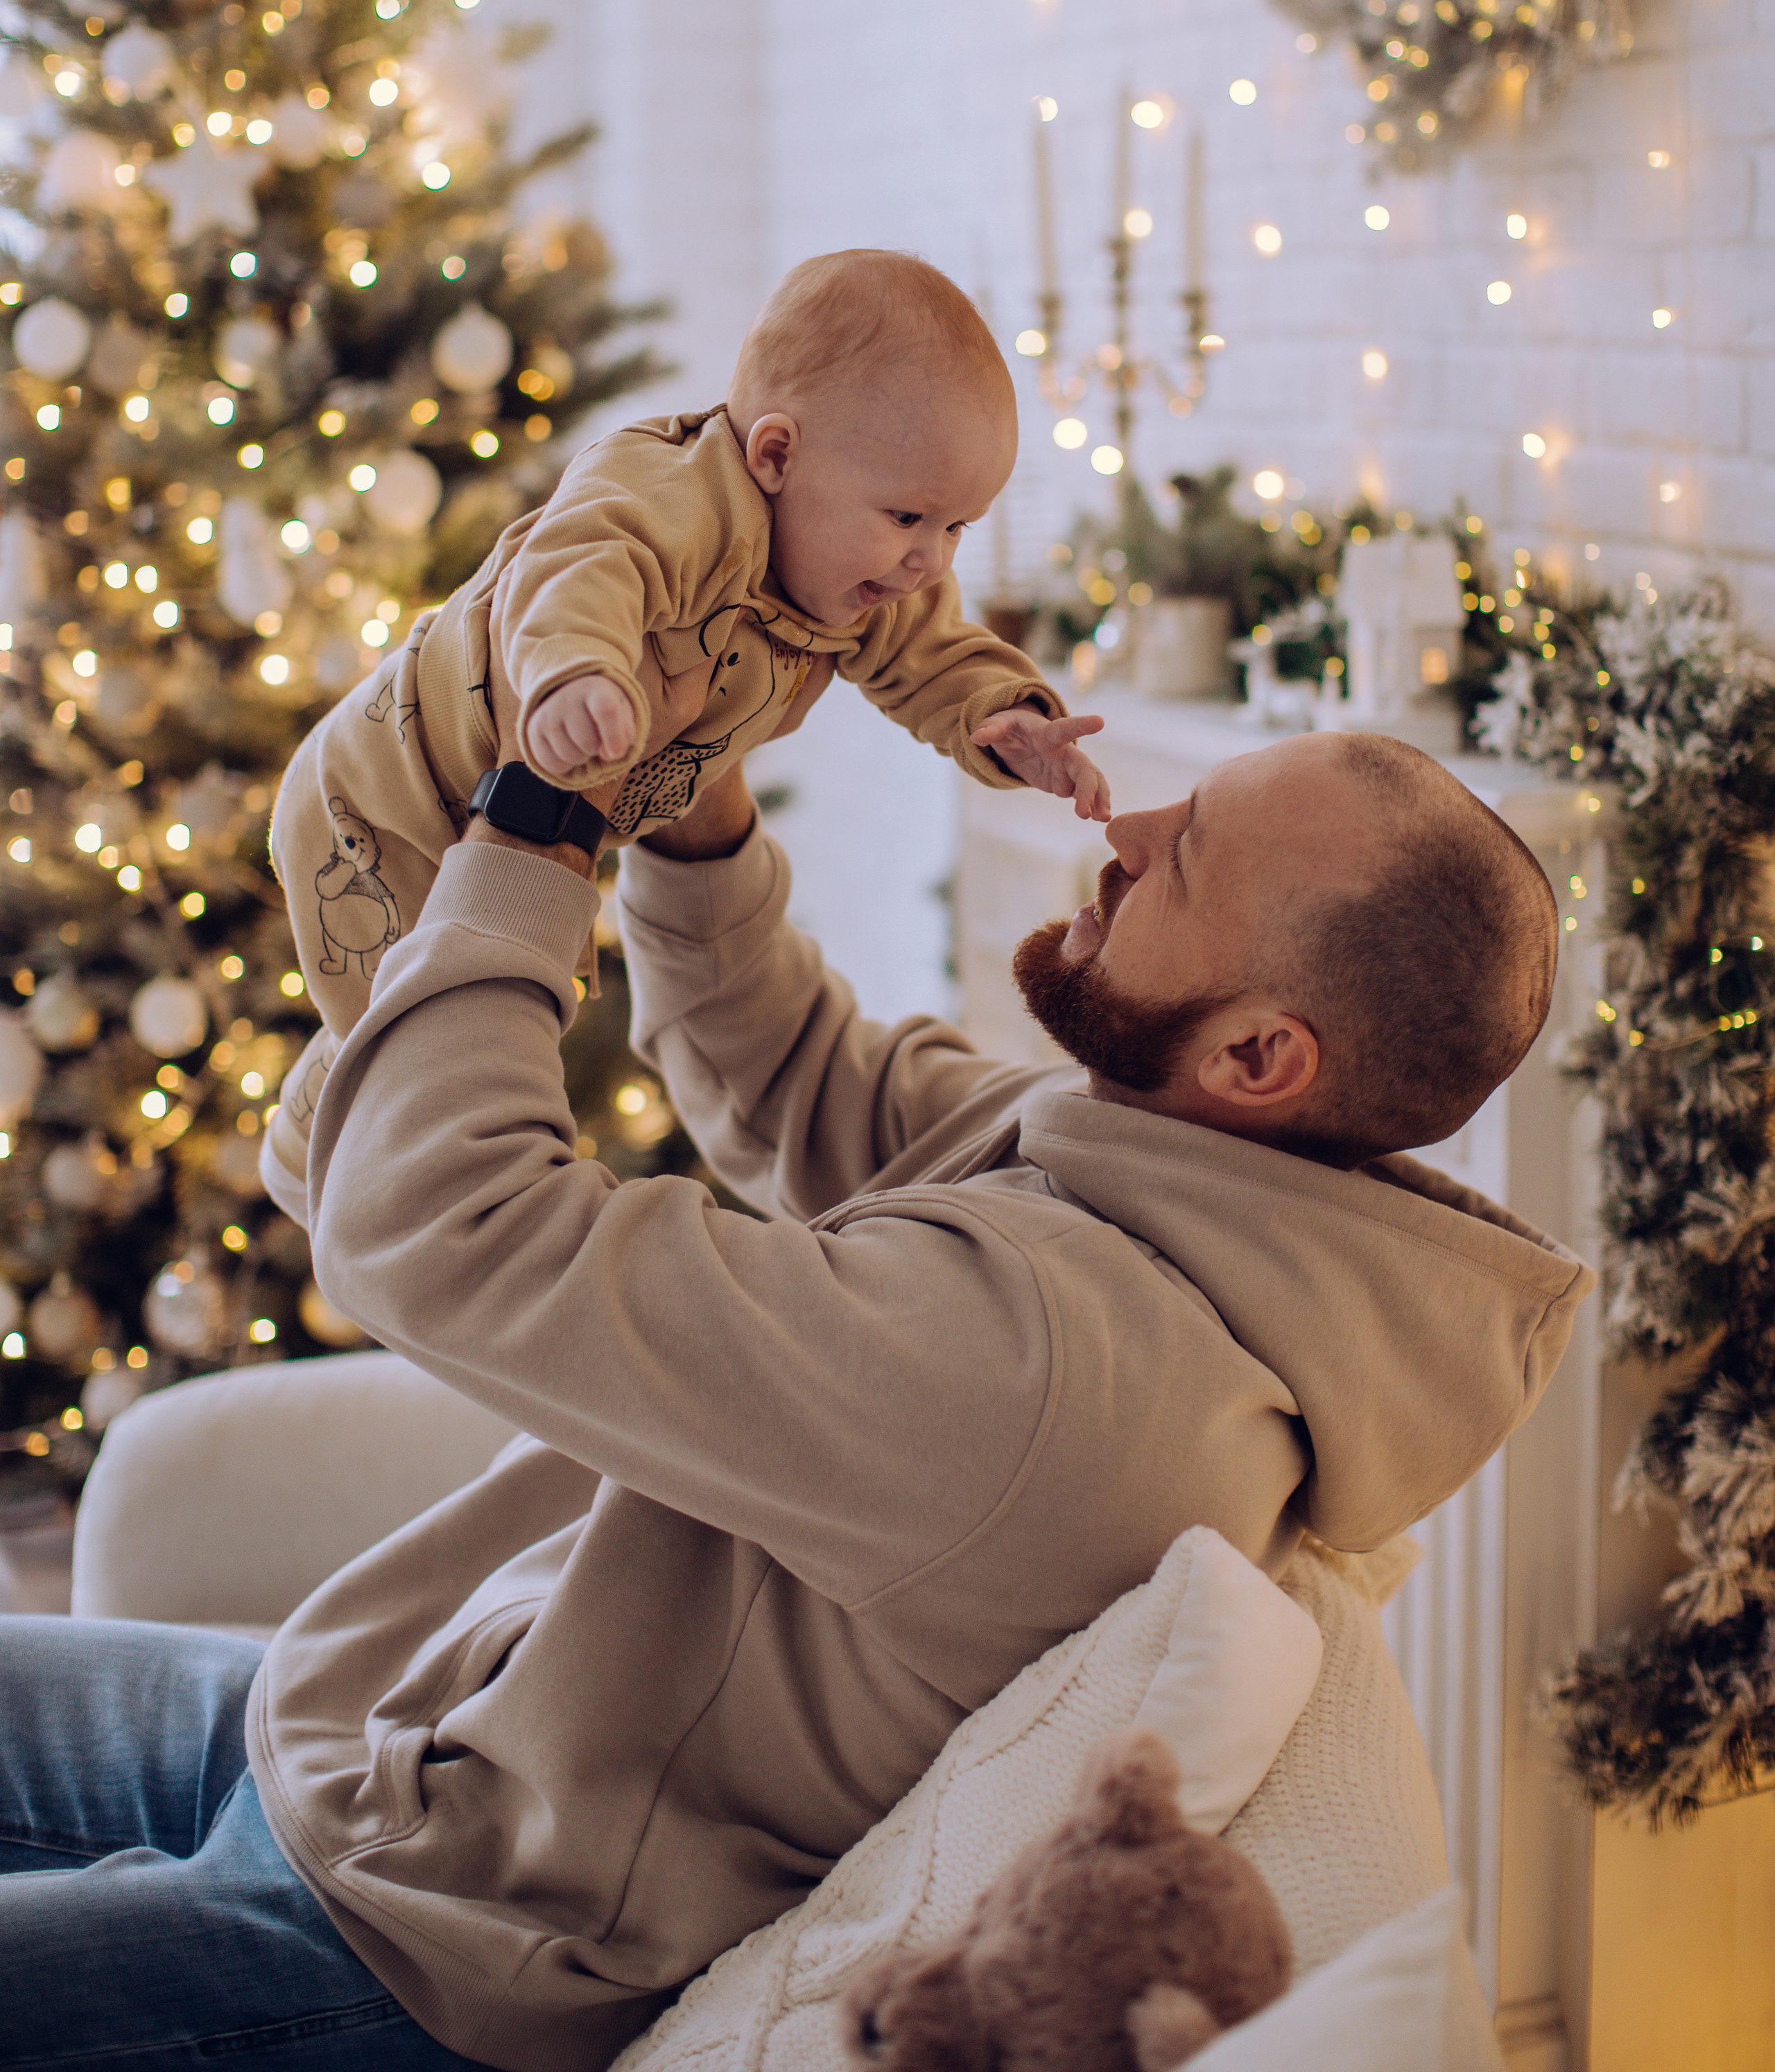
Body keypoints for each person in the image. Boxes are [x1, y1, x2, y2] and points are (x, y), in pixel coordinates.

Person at [0, 699, 1593, 2071]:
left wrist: (532, 837)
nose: (1125, 818)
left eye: (1180, 854)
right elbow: (804, 1077)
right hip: (380, 1742)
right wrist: (693, 814)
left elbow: (454, 1231)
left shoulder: (1059, 1380)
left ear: (1260, 1056)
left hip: (414, 1938)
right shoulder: (1157, 1171)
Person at [273, 247, 1109, 1047]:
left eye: (957, 526)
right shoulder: (673, 493)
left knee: (477, 1006)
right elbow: (577, 566)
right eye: (906, 518)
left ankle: (313, 1129)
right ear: (776, 455)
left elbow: (942, 658)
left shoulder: (879, 581)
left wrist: (1008, 716)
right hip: (384, 786)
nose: (931, 558)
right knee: (412, 1038)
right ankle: (319, 1144)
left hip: (498, 819)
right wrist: (578, 674)